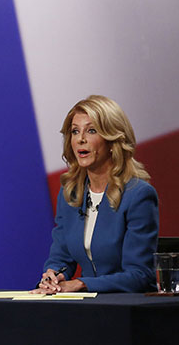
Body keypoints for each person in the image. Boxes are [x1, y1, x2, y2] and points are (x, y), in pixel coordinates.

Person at [34, 95, 158, 294]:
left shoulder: (138, 195)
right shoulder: (71, 195)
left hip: (130, 310)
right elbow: (62, 256)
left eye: (91, 130)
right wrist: (54, 274)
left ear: (112, 140)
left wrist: (82, 284)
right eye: (75, 131)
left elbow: (140, 275)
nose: (81, 139)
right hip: (88, 308)